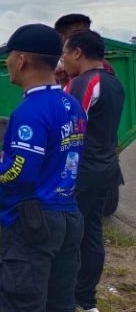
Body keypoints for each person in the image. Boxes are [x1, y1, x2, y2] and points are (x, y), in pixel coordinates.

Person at [0, 23, 86, 311]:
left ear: (21, 60)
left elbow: (19, 172)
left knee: (21, 302)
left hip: (33, 223)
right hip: (68, 215)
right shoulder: (71, 104)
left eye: (9, 56)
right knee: (60, 302)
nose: (6, 63)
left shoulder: (30, 110)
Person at [62, 30, 125, 312]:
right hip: (107, 170)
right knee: (92, 233)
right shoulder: (115, 82)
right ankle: (86, 300)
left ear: (77, 52)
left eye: (65, 53)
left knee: (70, 236)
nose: (63, 61)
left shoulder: (85, 82)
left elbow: (69, 133)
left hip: (82, 174)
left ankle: (68, 295)